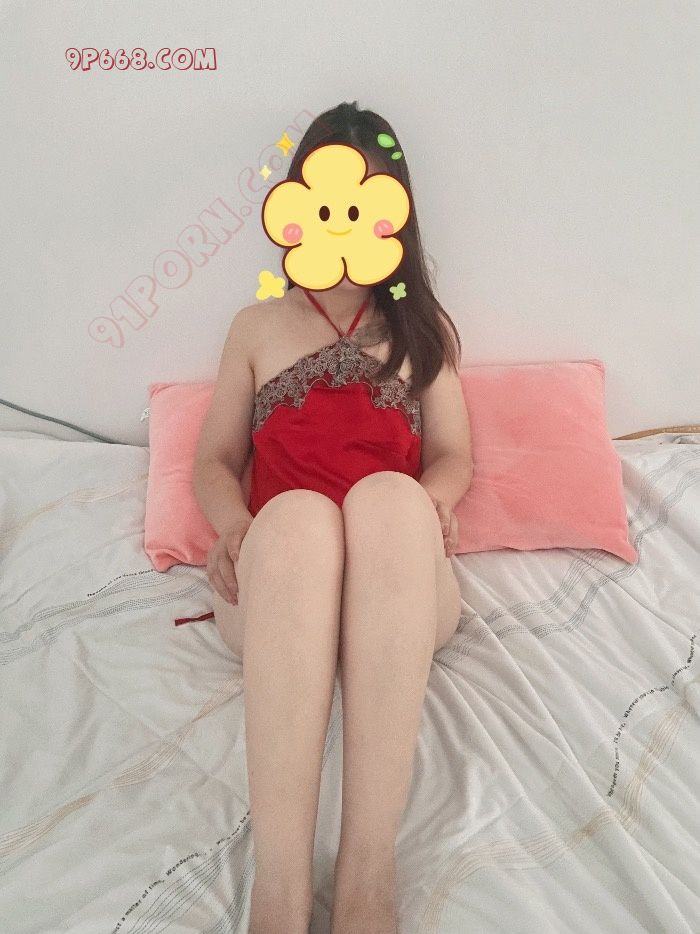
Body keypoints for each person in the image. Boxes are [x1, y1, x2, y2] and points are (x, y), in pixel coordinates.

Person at [192, 100, 473, 934]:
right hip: (281, 580)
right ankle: (279, 892)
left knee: (389, 499)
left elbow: (454, 455)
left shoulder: (422, 331)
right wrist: (232, 525)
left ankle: (366, 876)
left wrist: (435, 502)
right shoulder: (255, 327)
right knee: (301, 518)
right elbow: (213, 460)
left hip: (399, 580)